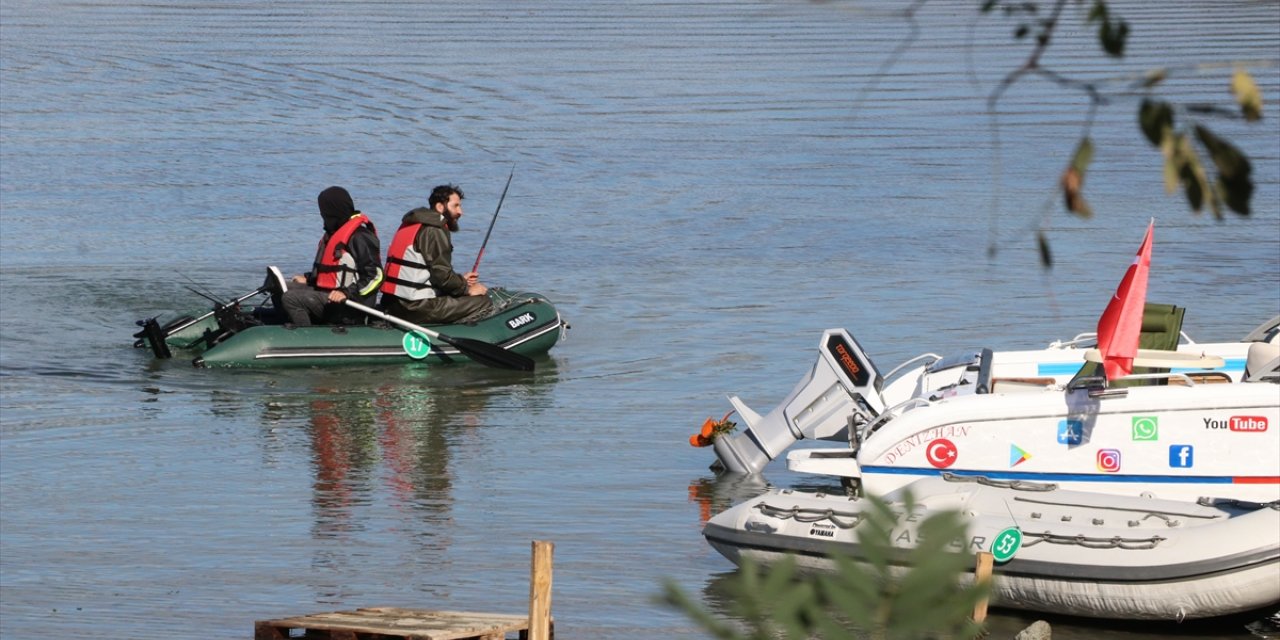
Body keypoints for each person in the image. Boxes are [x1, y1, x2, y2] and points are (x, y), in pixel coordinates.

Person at [380, 184, 494, 325]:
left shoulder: (411, 224)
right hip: (414, 307)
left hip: (391, 303)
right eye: (456, 206)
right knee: (483, 301)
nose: (460, 212)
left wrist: (461, 280)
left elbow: (428, 272)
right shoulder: (434, 230)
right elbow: (442, 277)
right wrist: (467, 289)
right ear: (440, 207)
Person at [279, 186, 383, 326]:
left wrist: (346, 293)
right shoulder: (335, 232)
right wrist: (309, 278)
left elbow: (375, 276)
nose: (323, 218)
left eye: (325, 214)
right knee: (285, 288)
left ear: (335, 212)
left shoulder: (360, 236)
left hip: (350, 305)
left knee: (290, 298)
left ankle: (306, 338)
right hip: (330, 296)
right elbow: (333, 272)